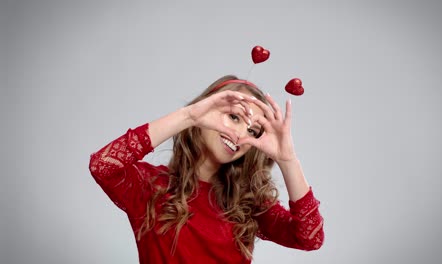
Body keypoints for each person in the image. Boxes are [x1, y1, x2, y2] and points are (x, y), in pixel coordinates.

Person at [89, 75, 324, 264]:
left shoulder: (248, 204)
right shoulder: (151, 187)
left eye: (253, 132)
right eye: (234, 117)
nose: (241, 134)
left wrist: (287, 159)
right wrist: (189, 115)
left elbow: (310, 237)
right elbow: (102, 165)